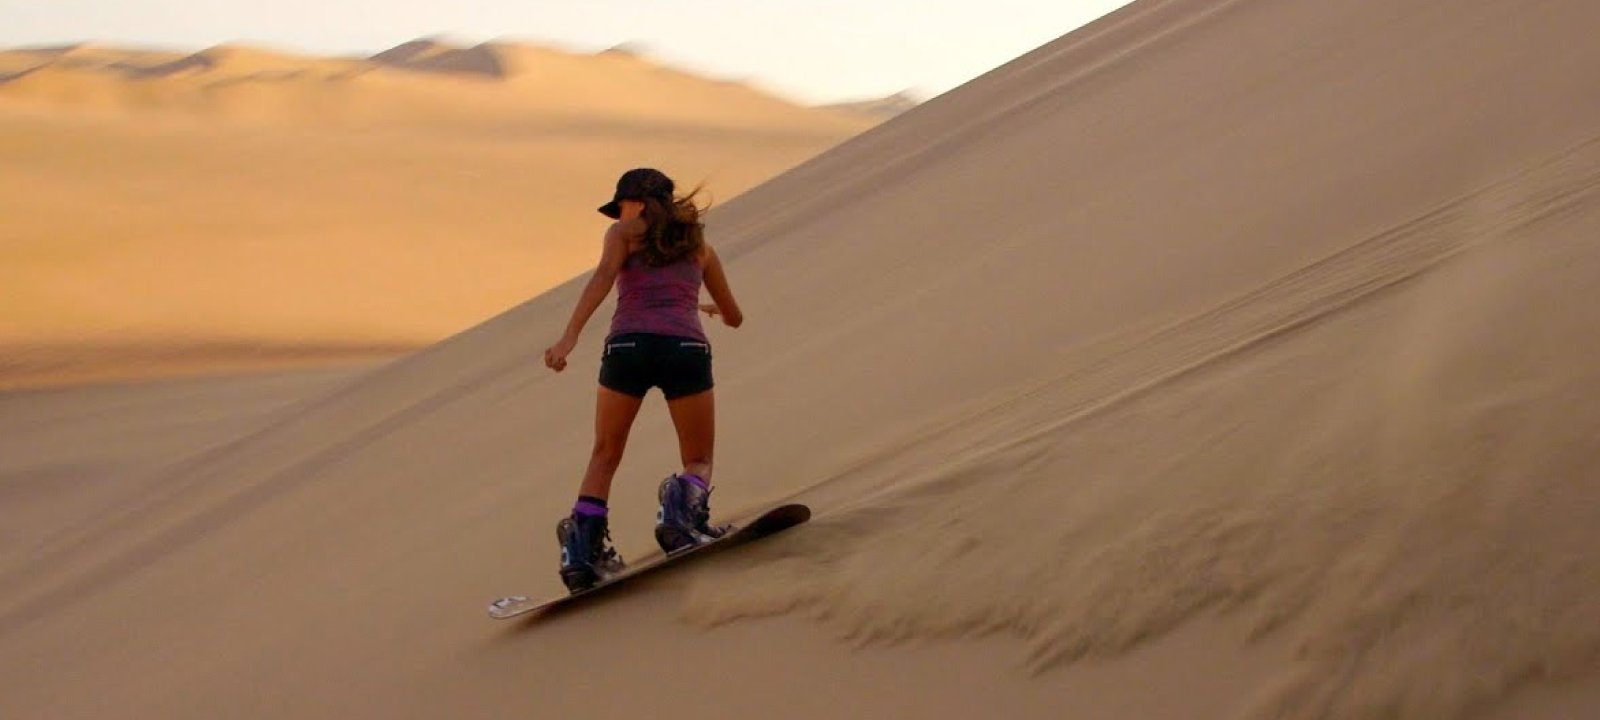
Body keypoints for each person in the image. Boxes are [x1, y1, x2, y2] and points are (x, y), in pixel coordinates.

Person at [542, 168, 745, 592]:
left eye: (620, 207)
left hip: (628, 349)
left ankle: (582, 554)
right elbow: (735, 317)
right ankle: (680, 517)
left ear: (636, 202)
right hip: (684, 352)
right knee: (698, 458)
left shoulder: (622, 235)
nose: (618, 215)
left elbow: (602, 278)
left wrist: (569, 338)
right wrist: (706, 308)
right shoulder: (699, 247)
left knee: (605, 453)